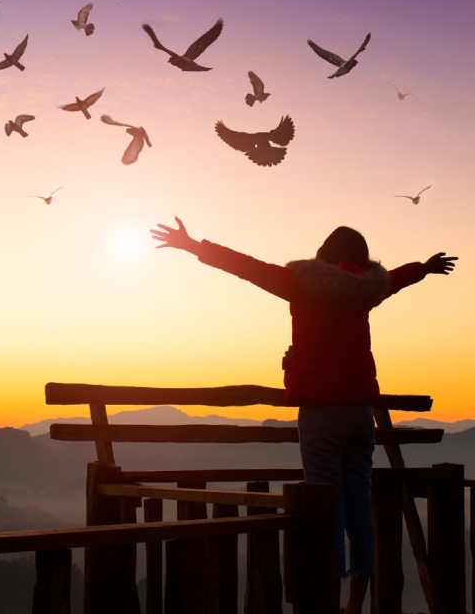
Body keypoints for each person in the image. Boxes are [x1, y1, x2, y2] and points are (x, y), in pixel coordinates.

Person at [150, 218, 457, 614]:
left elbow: (245, 265)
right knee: (358, 504)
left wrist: (192, 244)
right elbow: (396, 278)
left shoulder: (301, 283)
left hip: (322, 411)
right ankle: (356, 602)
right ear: (362, 260)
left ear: (323, 255)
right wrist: (425, 267)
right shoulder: (369, 290)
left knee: (324, 504)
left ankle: (326, 599)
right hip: (361, 412)